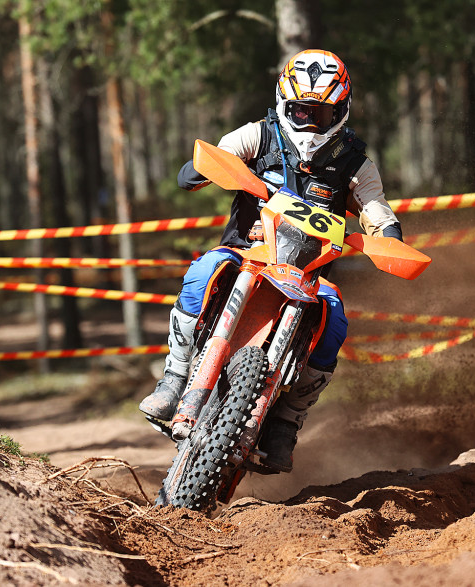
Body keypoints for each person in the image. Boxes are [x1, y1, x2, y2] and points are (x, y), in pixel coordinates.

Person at [139, 49, 404, 472]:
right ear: (284, 103)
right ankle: (174, 378)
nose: (310, 122)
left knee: (334, 318)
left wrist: (389, 238)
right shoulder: (259, 136)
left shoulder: (355, 163)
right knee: (203, 270)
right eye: (301, 111)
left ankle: (286, 421)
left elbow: (376, 209)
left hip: (307, 276)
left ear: (341, 111)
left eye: (321, 113)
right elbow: (221, 154)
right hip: (245, 255)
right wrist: (204, 167)